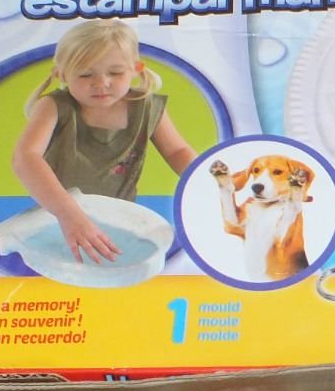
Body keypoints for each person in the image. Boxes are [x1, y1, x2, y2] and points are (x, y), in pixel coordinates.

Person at [11, 20, 199, 262]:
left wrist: (207, 180)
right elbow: (25, 157)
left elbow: (177, 151)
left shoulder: (146, 106)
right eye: (85, 74)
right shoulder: (53, 106)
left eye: (115, 73)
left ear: (136, 69)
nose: (101, 83)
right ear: (62, 75)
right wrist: (67, 213)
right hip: (57, 215)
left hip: (117, 218)